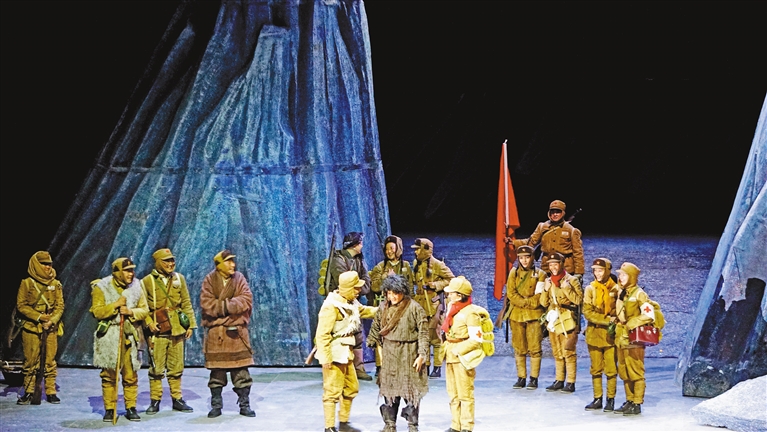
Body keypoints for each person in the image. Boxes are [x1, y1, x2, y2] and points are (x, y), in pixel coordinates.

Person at [315, 270, 378, 432]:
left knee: (351, 387)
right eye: (356, 288)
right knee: (332, 390)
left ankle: (344, 422)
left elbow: (364, 311)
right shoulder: (331, 306)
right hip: (334, 354)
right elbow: (322, 334)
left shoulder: (351, 303)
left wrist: (384, 310)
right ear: (348, 288)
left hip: (346, 353)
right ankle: (329, 427)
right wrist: (325, 358)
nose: (359, 291)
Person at [90, 257, 149, 422]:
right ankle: (110, 408)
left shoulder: (136, 286)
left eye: (132, 270)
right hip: (110, 335)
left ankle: (131, 407)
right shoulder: (102, 287)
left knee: (131, 375)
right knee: (109, 375)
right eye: (127, 270)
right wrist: (115, 305)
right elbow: (97, 312)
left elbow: (144, 310)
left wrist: (130, 312)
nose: (131, 274)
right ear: (117, 272)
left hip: (129, 336)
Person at [367, 275, 428, 432]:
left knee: (411, 391)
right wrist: (372, 340)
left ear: (403, 292)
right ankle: (390, 424)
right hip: (390, 353)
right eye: (389, 293)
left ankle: (412, 425)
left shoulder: (414, 308)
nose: (392, 297)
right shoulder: (383, 307)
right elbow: (376, 326)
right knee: (390, 390)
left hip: (409, 353)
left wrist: (422, 354)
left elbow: (423, 333)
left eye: (396, 293)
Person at [200, 250, 256, 418]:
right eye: (228, 261)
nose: (233, 264)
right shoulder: (210, 280)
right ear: (219, 265)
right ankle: (216, 405)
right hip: (217, 336)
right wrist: (231, 313)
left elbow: (246, 300)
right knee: (217, 373)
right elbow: (207, 305)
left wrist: (221, 312)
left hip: (236, 335)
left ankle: (244, 405)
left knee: (241, 372)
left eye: (233, 261)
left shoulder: (239, 278)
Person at [141, 248, 197, 414]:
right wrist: (149, 322)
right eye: (166, 261)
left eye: (172, 260)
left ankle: (177, 398)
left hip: (177, 329)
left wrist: (190, 325)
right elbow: (142, 306)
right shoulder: (147, 281)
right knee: (156, 368)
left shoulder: (179, 278)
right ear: (158, 262)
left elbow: (186, 302)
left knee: (176, 367)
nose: (171, 264)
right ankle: (155, 400)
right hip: (158, 331)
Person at [15, 251, 65, 405]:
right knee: (31, 361)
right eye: (44, 264)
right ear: (36, 265)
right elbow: (21, 305)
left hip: (50, 328)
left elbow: (60, 306)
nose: (47, 267)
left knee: (50, 360)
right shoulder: (27, 283)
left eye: (49, 264)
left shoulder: (56, 284)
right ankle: (29, 391)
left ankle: (50, 391)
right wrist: (39, 317)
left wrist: (51, 320)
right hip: (31, 327)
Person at [442, 276, 489, 432]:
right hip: (450, 354)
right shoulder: (451, 308)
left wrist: (459, 350)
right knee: (453, 393)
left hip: (462, 357)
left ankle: (466, 427)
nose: (449, 295)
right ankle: (455, 425)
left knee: (465, 394)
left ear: (460, 295)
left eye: (452, 292)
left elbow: (476, 339)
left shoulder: (470, 313)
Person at [328, 232, 373, 381]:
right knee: (342, 336)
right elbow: (344, 284)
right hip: (340, 303)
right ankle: (342, 369)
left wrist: (360, 289)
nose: (362, 245)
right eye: (360, 243)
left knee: (358, 335)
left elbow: (366, 280)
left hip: (354, 301)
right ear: (354, 245)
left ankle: (358, 368)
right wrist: (357, 288)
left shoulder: (359, 259)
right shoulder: (338, 260)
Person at [369, 235, 414, 376]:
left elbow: (410, 287)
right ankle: (380, 365)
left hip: (401, 307)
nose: (389, 252)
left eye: (392, 248)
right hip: (384, 307)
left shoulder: (405, 266)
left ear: (398, 249)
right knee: (381, 336)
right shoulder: (380, 267)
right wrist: (384, 278)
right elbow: (373, 286)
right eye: (387, 249)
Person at [503, 245, 546, 390]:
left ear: (532, 258)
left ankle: (533, 378)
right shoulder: (513, 273)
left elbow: (539, 295)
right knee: (519, 348)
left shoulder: (540, 274)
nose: (524, 261)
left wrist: (528, 303)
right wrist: (523, 303)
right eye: (521, 258)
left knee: (535, 348)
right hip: (516, 314)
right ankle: (521, 377)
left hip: (534, 315)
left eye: (527, 257)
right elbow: (511, 293)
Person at [411, 238, 454, 378]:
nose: (416, 252)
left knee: (435, 338)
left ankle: (437, 367)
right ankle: (425, 365)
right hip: (420, 305)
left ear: (426, 249)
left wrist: (435, 285)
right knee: (423, 337)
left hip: (434, 307)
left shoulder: (438, 265)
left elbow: (451, 280)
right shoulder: (416, 264)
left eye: (418, 249)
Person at [539, 252, 582, 393]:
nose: (553, 267)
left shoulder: (572, 280)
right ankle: (559, 380)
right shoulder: (548, 281)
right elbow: (543, 303)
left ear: (561, 264)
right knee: (557, 352)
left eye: (555, 264)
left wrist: (566, 288)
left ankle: (571, 382)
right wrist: (545, 290)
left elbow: (578, 300)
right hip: (554, 319)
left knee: (568, 351)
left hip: (567, 319)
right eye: (550, 265)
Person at [614, 262, 652, 416]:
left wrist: (632, 323)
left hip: (634, 339)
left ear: (632, 277)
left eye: (624, 275)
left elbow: (649, 314)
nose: (620, 277)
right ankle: (629, 400)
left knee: (636, 371)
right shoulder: (622, 293)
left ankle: (637, 403)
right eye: (620, 275)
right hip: (621, 338)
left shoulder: (639, 294)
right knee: (624, 371)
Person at [513, 200, 584, 281]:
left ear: (563, 213)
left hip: (565, 269)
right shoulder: (542, 227)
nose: (555, 214)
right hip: (547, 268)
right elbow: (531, 242)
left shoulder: (571, 230)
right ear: (549, 213)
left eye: (558, 212)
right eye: (552, 212)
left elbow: (578, 253)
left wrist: (579, 273)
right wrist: (513, 243)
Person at [582, 258, 619, 411]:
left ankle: (610, 400)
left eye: (601, 270)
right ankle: (597, 398)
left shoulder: (616, 289)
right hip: (594, 334)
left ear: (607, 271)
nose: (597, 273)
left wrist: (613, 319)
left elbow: (619, 311)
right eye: (595, 270)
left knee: (611, 369)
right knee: (596, 368)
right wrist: (607, 319)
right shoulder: (590, 289)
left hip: (610, 336)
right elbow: (588, 312)